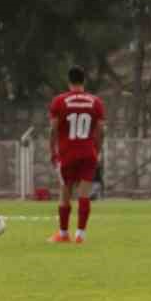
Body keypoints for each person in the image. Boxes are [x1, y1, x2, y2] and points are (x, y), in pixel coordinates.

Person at [48, 67, 105, 244]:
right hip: (89, 152)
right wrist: (98, 150)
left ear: (69, 81)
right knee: (84, 194)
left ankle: (64, 234)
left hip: (68, 153)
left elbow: (53, 129)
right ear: (84, 81)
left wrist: (52, 151)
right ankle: (80, 234)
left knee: (65, 192)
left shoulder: (59, 101)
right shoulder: (96, 102)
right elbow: (101, 130)